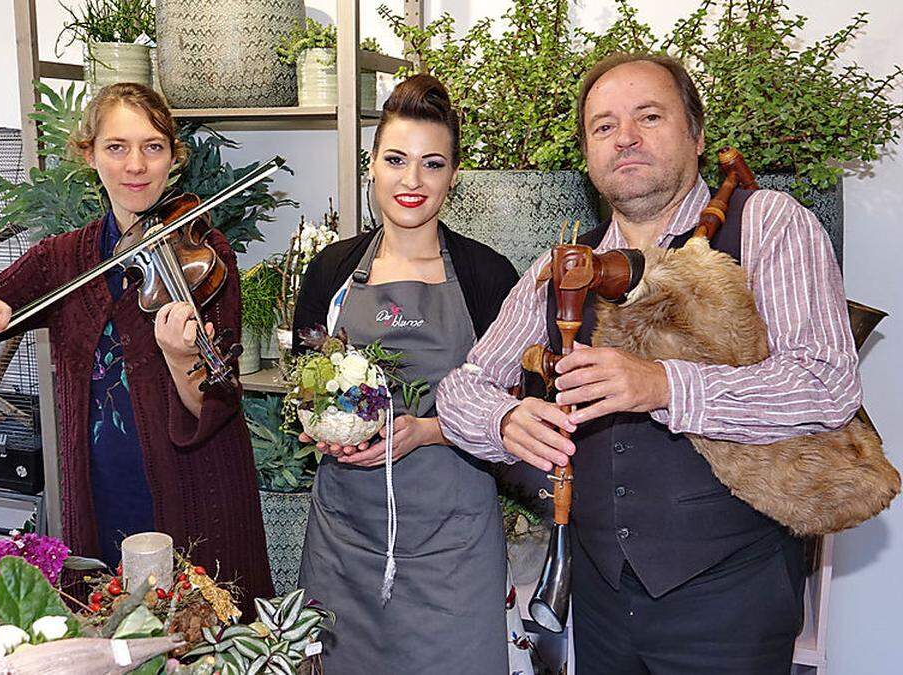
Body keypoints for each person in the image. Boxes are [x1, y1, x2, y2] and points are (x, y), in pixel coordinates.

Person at [437, 53, 861, 674]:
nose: (625, 138)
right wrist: (503, 420)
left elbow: (828, 384)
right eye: (604, 126)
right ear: (587, 153)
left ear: (696, 135)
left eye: (649, 116)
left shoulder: (768, 224)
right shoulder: (564, 267)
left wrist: (663, 384)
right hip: (601, 600)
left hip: (730, 600)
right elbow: (462, 387)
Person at [0, 82, 273, 607]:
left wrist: (181, 356)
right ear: (89, 155)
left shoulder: (203, 253)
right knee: (106, 631)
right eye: (116, 147)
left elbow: (215, 404)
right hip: (99, 489)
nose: (136, 165)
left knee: (202, 635)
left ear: (174, 156)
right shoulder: (63, 258)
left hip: (192, 487)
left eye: (153, 146)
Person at [291, 74, 521, 674]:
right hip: (346, 542)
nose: (412, 181)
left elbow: (518, 410)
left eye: (432, 163)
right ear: (372, 165)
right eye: (396, 159)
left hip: (454, 549)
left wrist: (426, 430)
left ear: (453, 176)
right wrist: (316, 423)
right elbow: (305, 381)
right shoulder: (332, 270)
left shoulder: (487, 276)